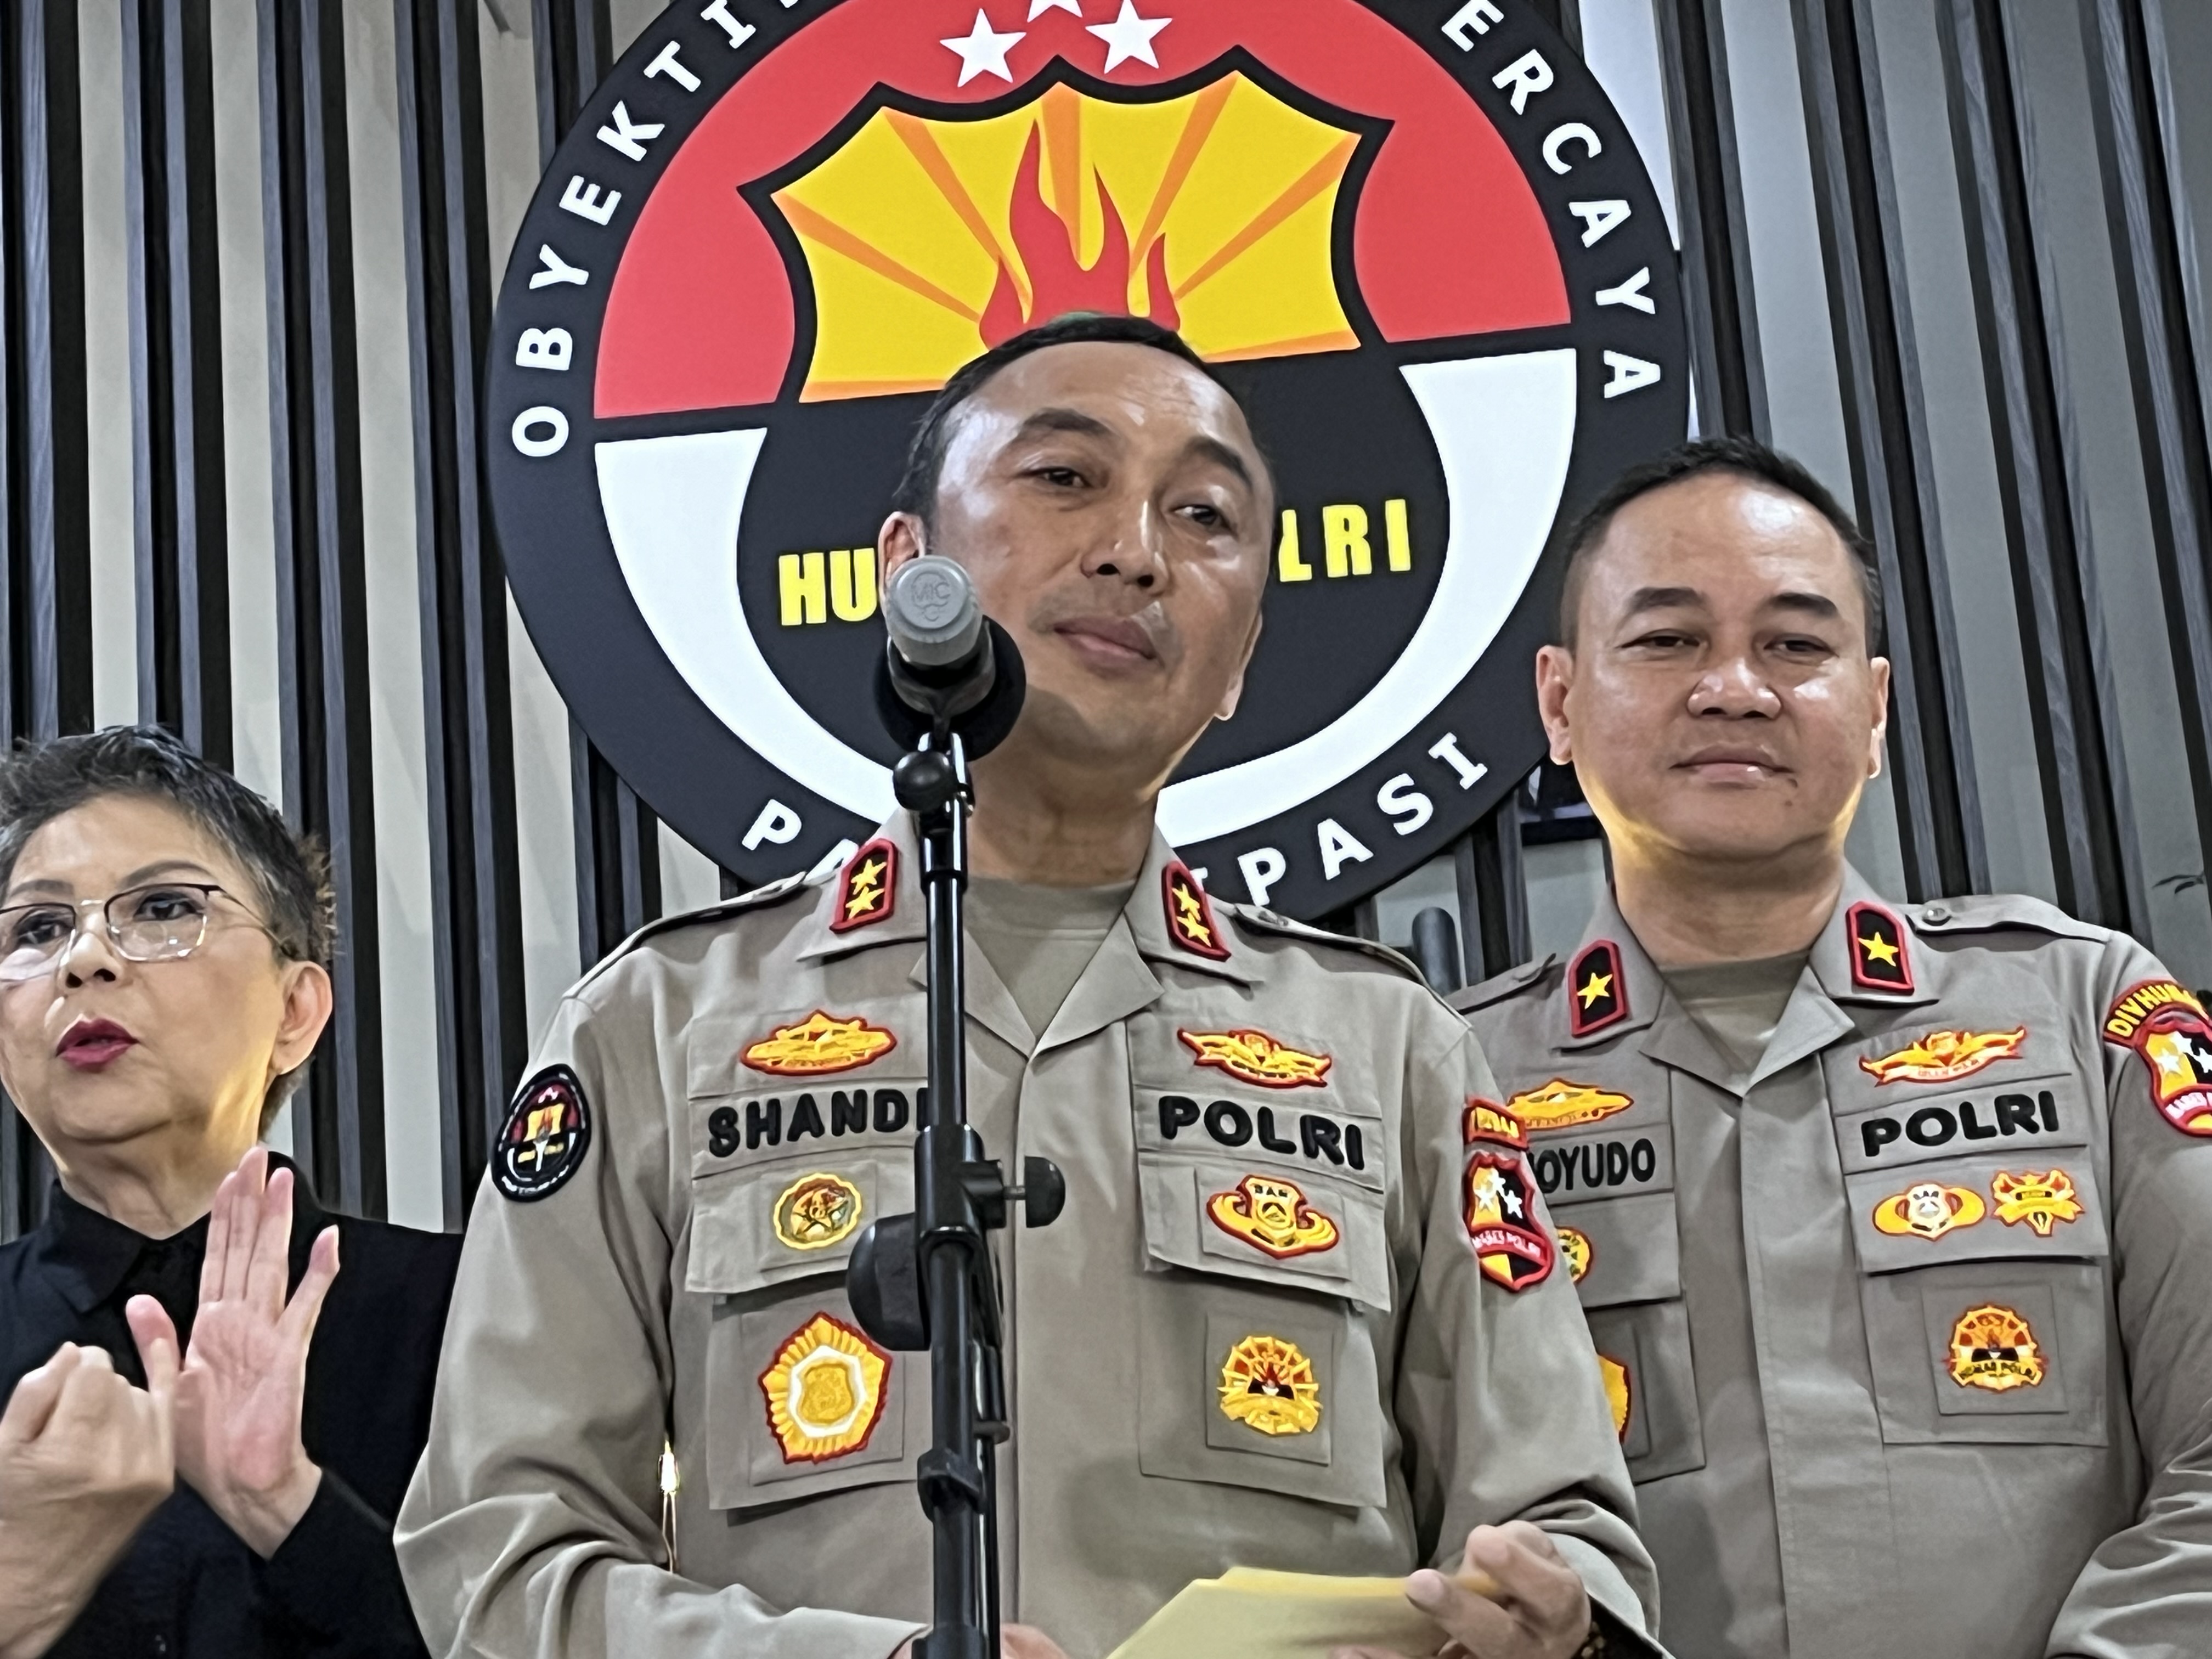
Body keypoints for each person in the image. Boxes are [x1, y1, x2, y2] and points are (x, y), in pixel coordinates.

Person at [397, 313, 1660, 1659]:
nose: (1135, 551)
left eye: (1207, 517)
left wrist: (1552, 1629)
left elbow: (1566, 1530)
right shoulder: (657, 1026)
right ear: (909, 567)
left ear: (1243, 660)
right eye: (1065, 478)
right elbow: (500, 1556)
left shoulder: (1388, 1046)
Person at [1452, 435, 2212, 1658]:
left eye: (1796, 645)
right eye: (1668, 640)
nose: (1735, 688)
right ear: (1560, 701)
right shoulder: (1451, 1085)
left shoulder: (2085, 1012)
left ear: (1872, 709)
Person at [0, 726, 461, 1658]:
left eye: (164, 908)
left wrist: (286, 1507)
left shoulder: (465, 1315)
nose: (85, 960)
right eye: (38, 928)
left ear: (295, 1012)